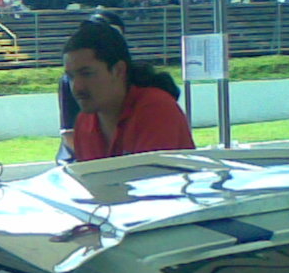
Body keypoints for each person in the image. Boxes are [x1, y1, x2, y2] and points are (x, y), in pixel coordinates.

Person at [63, 11, 194, 161]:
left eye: (87, 74)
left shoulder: (156, 109)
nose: (77, 87)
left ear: (118, 70)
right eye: (70, 77)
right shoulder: (84, 122)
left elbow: (152, 175)